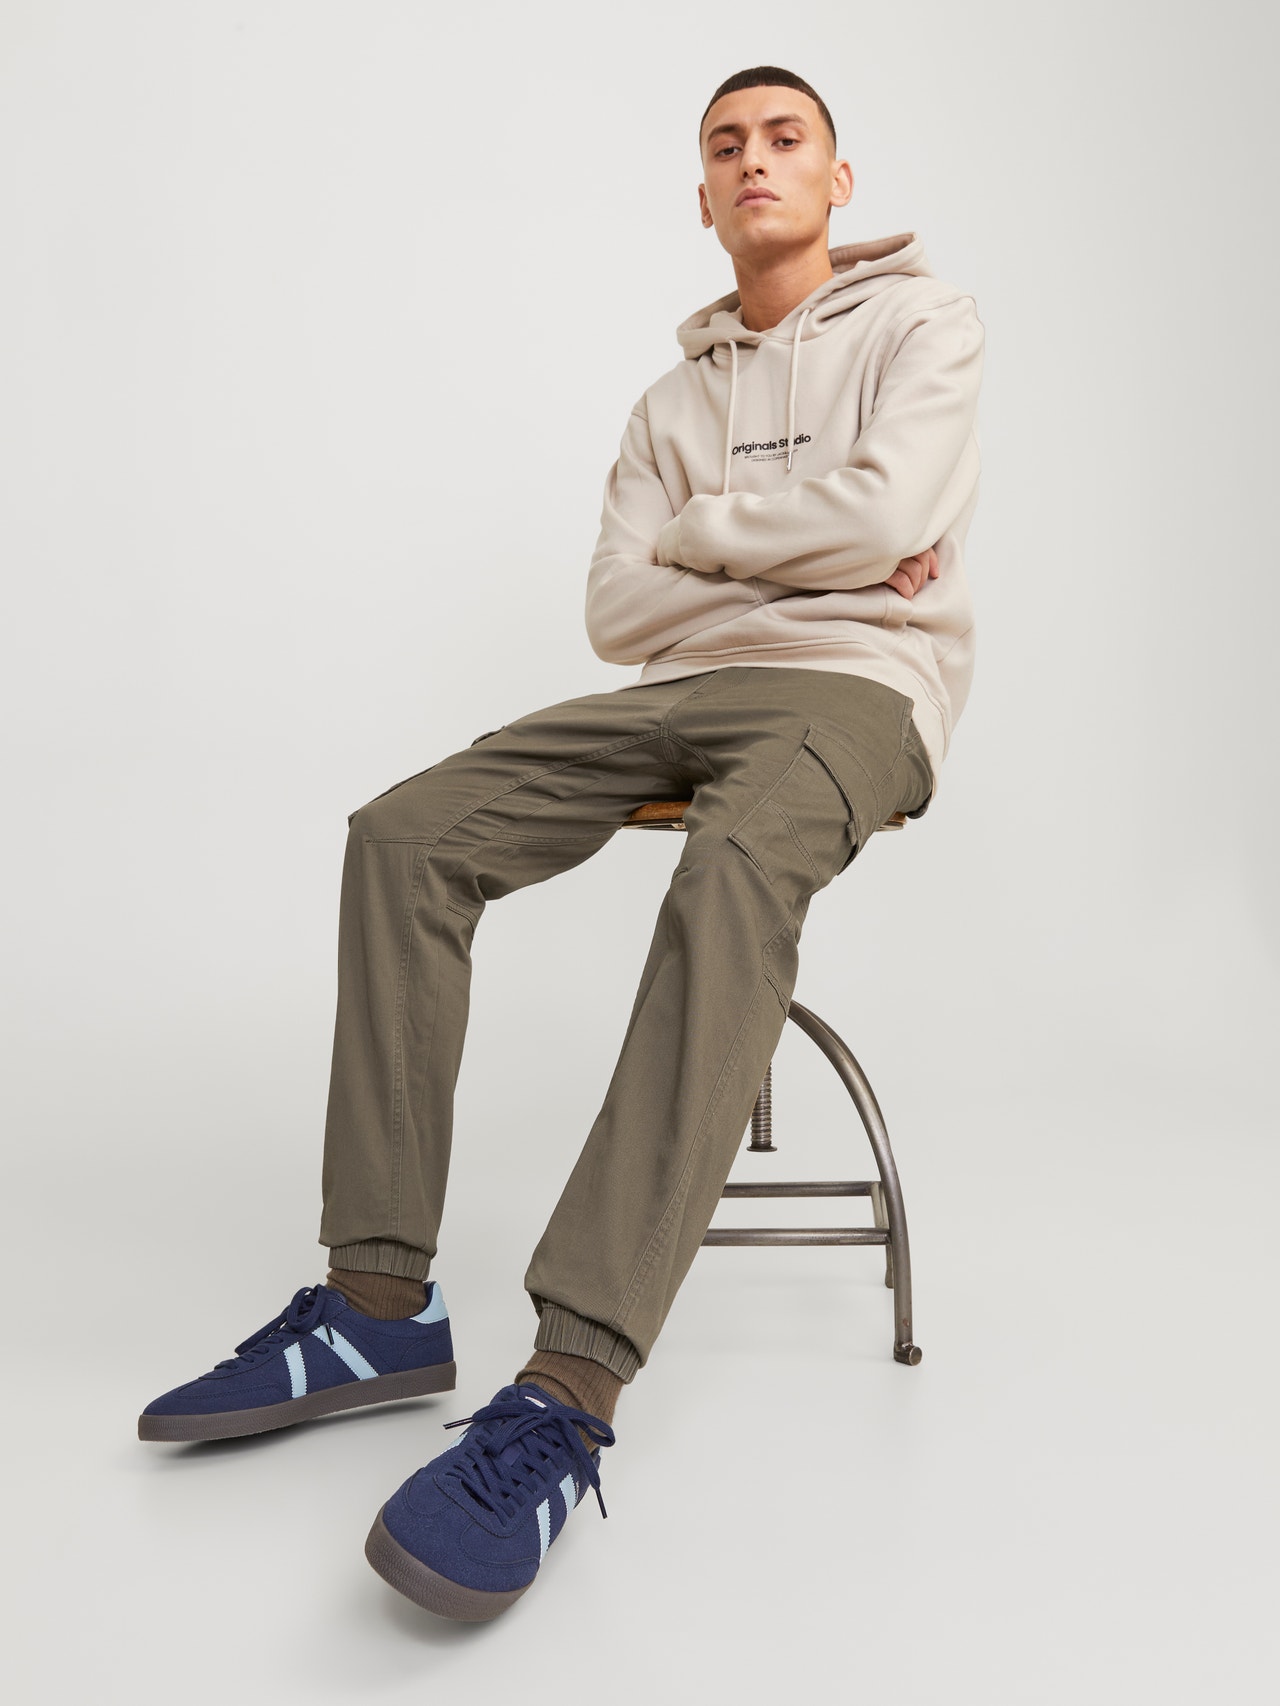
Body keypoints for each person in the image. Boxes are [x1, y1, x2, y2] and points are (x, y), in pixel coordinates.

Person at [137, 64, 985, 1623]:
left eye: (785, 139)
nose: (755, 161)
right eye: (725, 146)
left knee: (731, 868)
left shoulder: (923, 326)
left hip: (859, 691)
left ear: (838, 178)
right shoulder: (671, 402)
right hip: (673, 695)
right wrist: (816, 543)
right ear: (701, 193)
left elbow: (887, 523)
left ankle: (567, 1390)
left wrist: (709, 541)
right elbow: (617, 606)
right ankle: (377, 1302)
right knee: (404, 834)